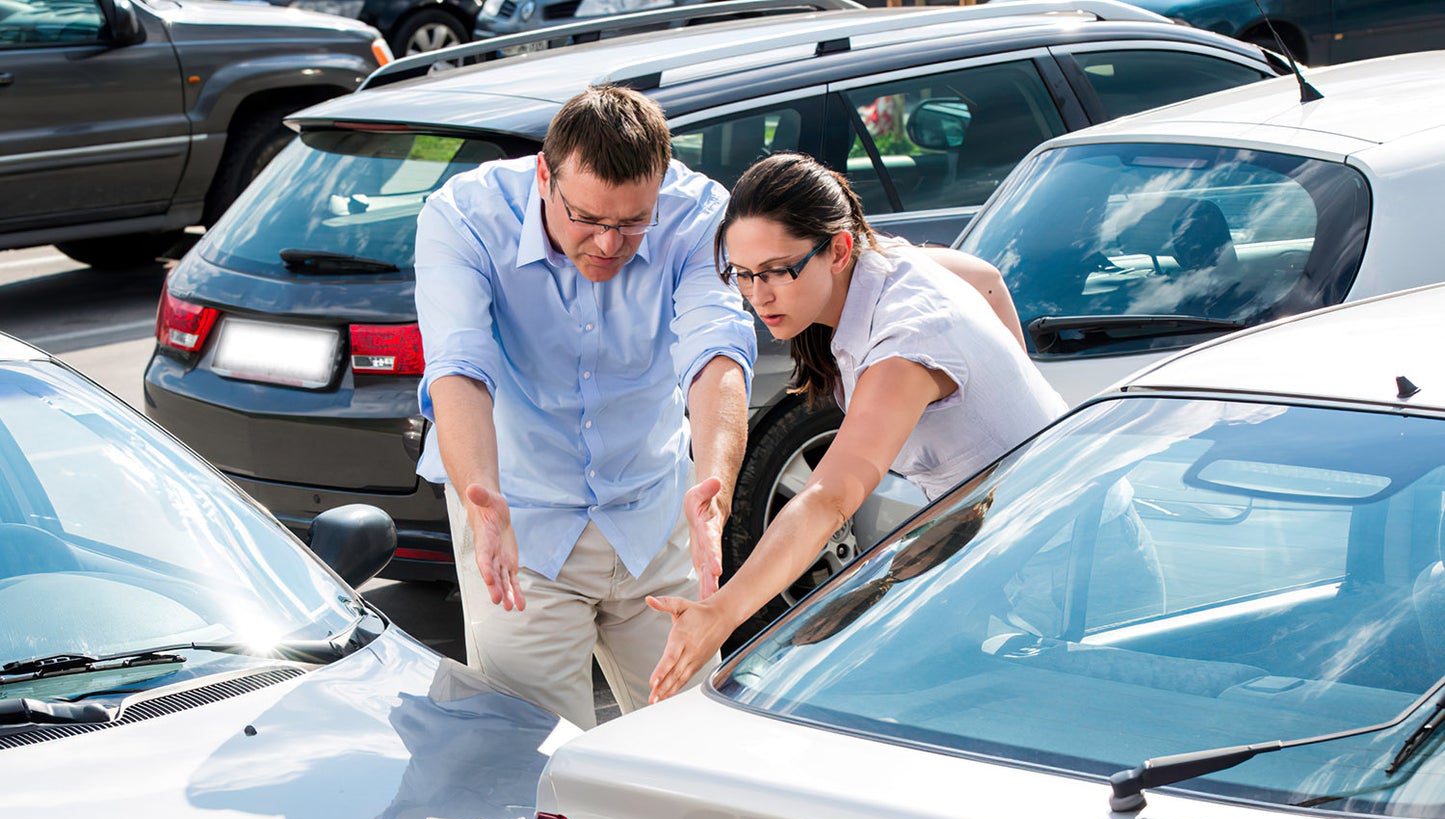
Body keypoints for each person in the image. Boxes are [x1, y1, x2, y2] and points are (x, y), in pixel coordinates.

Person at [646, 151, 1063, 703]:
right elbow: (984, 279)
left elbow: (829, 496)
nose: (758, 295)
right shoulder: (884, 260)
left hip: (1063, 567)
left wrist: (722, 612)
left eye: (776, 271)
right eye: (742, 274)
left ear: (838, 249)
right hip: (1003, 542)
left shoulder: (907, 341)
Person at [414, 84, 756, 729]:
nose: (608, 244)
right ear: (545, 175)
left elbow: (717, 351)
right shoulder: (463, 215)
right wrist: (480, 496)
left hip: (655, 516)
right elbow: (459, 365)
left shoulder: (700, 213)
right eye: (589, 219)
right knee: (534, 768)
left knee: (693, 742)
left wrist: (714, 489)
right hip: (519, 528)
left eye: (632, 223)